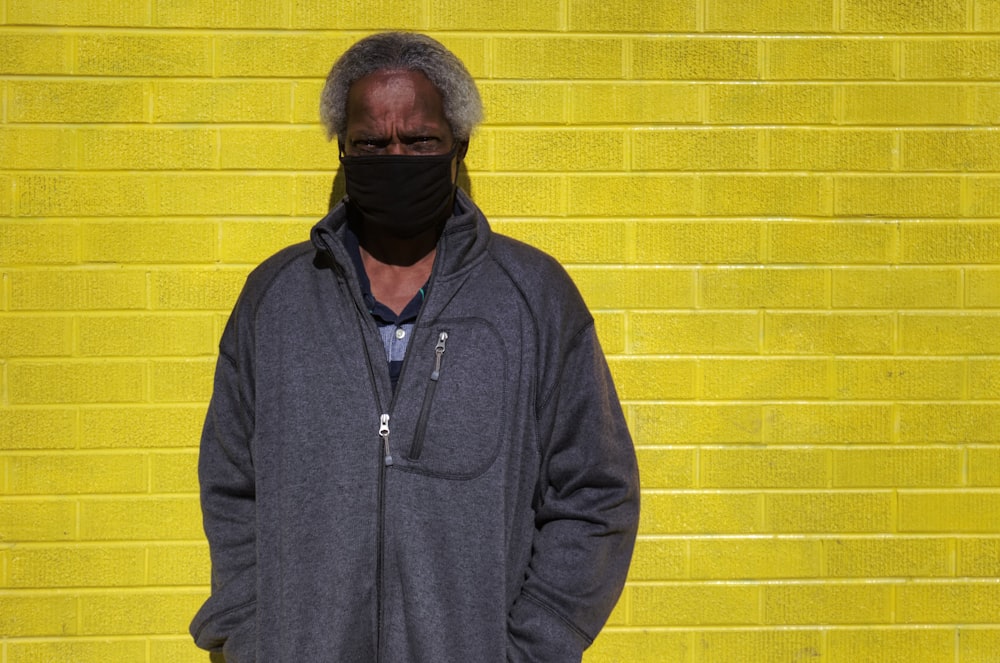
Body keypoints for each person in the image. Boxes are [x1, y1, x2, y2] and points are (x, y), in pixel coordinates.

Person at [190, 31, 639, 663]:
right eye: (372, 143)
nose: (395, 154)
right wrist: (251, 636)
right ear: (343, 153)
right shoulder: (278, 300)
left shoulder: (533, 297)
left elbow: (596, 490)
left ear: (459, 147)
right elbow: (231, 485)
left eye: (419, 140)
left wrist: (536, 644)